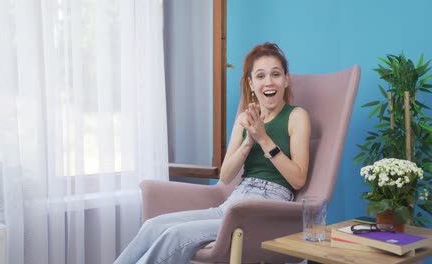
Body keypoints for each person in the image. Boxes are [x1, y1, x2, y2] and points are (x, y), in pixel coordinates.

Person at [113, 42, 311, 264]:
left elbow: (298, 179)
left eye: (275, 74)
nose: (268, 82)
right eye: (260, 76)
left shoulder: (296, 116)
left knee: (175, 235)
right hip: (234, 202)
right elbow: (226, 176)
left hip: (265, 206)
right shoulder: (244, 120)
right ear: (251, 83)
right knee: (153, 226)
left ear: (285, 80)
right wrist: (248, 142)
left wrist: (264, 139)